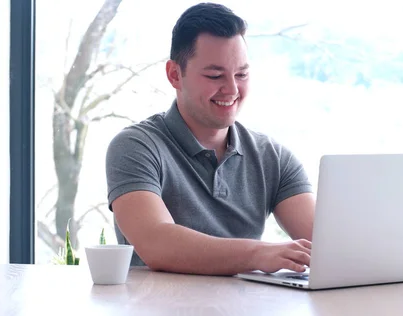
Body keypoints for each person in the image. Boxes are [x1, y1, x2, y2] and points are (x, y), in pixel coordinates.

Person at [105, 2, 315, 276]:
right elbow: (156, 243)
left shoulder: (273, 157)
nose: (231, 89)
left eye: (241, 74)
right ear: (174, 75)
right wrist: (260, 253)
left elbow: (329, 246)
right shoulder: (136, 147)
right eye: (214, 75)